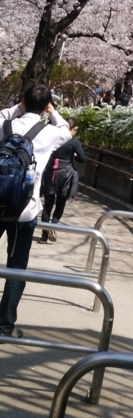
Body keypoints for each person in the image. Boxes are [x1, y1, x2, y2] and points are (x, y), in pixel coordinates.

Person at [0, 85, 70, 337]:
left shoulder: (4, 125)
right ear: (45, 106)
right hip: (24, 211)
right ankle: (4, 327)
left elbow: (3, 115)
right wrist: (52, 112)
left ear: (22, 101)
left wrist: (17, 107)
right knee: (16, 268)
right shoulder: (50, 132)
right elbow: (66, 132)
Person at [40, 117, 86, 241]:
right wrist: (74, 156)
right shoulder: (74, 141)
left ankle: (44, 235)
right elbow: (82, 159)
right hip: (66, 175)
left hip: (51, 173)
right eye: (75, 130)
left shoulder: (53, 137)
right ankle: (53, 227)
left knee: (47, 205)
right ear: (73, 128)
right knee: (60, 204)